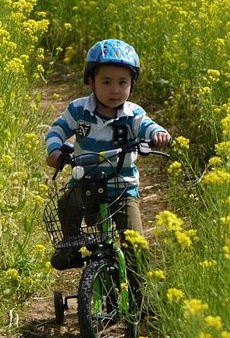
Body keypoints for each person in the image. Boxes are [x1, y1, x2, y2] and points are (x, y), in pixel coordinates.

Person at [45, 39, 172, 270]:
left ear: (132, 84)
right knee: (66, 203)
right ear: (91, 82)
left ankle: (140, 297)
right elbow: (57, 130)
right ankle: (70, 247)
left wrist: (159, 135)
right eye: (106, 82)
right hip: (85, 180)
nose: (115, 90)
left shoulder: (133, 114)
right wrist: (54, 150)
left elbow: (148, 126)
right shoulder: (79, 109)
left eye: (122, 82)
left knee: (135, 245)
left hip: (122, 187)